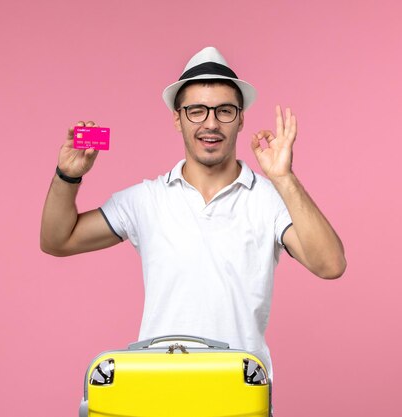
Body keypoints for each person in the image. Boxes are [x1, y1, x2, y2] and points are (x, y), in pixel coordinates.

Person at [40, 47, 346, 376]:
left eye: (225, 111)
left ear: (241, 118)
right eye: (197, 111)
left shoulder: (268, 199)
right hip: (160, 388)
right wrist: (68, 175)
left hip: (241, 391)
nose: (211, 123)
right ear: (177, 118)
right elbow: (58, 240)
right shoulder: (146, 200)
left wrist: (284, 179)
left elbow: (330, 265)